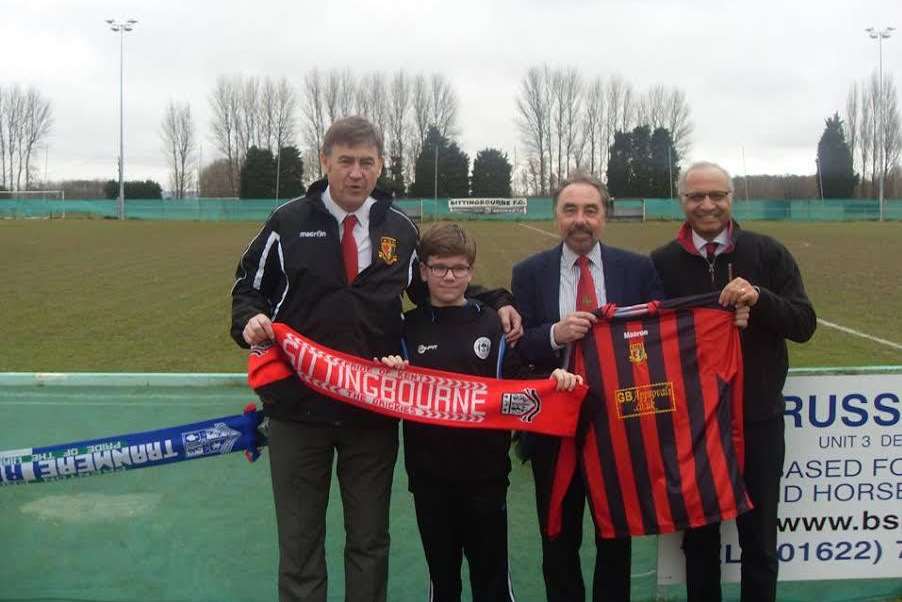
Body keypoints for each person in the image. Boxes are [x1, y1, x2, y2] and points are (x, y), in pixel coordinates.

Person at [230, 116, 521, 602]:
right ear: (325, 162)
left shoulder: (400, 229)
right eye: (345, 161)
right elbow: (248, 289)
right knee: (300, 542)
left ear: (381, 165)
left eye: (367, 162)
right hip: (297, 409)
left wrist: (494, 300)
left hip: (372, 412)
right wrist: (250, 321)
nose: (356, 173)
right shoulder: (288, 222)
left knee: (369, 540)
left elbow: (431, 287)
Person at [379, 223, 582, 602]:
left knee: (491, 581)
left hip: (485, 477)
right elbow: (381, 385)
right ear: (423, 271)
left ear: (471, 272)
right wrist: (389, 367)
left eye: (458, 268)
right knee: (444, 582)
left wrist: (552, 380)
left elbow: (519, 378)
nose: (449, 276)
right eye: (439, 267)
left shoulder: (493, 322)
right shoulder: (407, 328)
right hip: (428, 479)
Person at [650, 161, 816, 602]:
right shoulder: (661, 263)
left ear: (732, 198)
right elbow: (646, 342)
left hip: (758, 420)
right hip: (693, 427)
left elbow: (804, 323)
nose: (707, 205)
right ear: (681, 201)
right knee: (699, 543)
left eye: (717, 195)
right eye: (696, 196)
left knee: (759, 541)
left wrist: (760, 300)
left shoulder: (767, 253)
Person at [511, 172, 664, 602]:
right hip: (554, 429)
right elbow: (519, 349)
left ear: (605, 216)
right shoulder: (529, 273)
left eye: (590, 210)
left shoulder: (637, 269)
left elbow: (658, 341)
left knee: (615, 536)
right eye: (571, 210)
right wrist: (555, 334)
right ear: (556, 216)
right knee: (557, 535)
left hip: (618, 427)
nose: (581, 220)